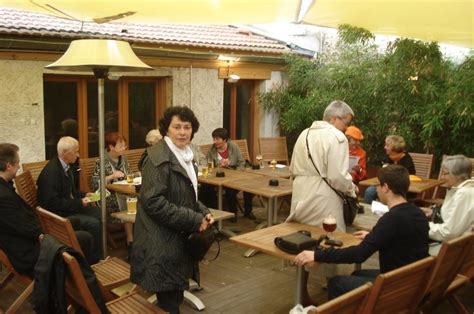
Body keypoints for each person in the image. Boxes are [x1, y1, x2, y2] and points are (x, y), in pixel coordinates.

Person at [295, 165, 430, 300]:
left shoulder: (391, 219)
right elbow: (402, 238)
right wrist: (374, 236)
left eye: (378, 185)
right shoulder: (418, 213)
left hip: (397, 289)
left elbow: (359, 255)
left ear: (386, 188)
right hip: (415, 281)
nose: (376, 189)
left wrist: (318, 255)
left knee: (336, 283)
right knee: (357, 273)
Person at [130, 106, 214, 314]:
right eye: (177, 127)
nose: (183, 132)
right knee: (169, 302)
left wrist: (203, 211)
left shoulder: (186, 155)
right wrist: (195, 220)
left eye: (187, 127)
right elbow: (153, 202)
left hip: (175, 238)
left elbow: (188, 193)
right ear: (166, 130)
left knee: (173, 295)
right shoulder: (157, 158)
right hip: (161, 243)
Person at [0, 143, 94, 277]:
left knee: (75, 222)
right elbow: (25, 228)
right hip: (27, 251)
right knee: (86, 237)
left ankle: (78, 274)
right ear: (8, 166)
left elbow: (22, 222)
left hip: (32, 236)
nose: (19, 167)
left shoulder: (5, 188)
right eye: (17, 163)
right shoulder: (3, 196)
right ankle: (82, 278)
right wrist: (48, 231)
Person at [287, 100, 356, 231]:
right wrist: (351, 189)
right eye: (346, 123)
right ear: (335, 118)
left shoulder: (304, 133)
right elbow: (337, 177)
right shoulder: (337, 137)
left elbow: (292, 168)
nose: (347, 128)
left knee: (302, 238)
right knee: (330, 240)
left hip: (300, 195)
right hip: (324, 200)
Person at [37, 136, 102, 262]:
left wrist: (84, 195)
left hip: (67, 208)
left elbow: (68, 192)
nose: (78, 155)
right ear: (65, 152)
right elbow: (52, 203)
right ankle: (93, 260)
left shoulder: (65, 166)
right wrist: (79, 203)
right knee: (93, 223)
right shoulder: (52, 173)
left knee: (99, 213)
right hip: (57, 216)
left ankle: (95, 253)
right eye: (76, 151)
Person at [91, 132, 134, 252]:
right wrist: (111, 177)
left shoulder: (123, 159)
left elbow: (129, 174)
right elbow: (95, 184)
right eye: (121, 146)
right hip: (106, 196)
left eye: (124, 145)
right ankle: (130, 239)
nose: (124, 148)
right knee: (128, 202)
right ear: (111, 147)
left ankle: (135, 239)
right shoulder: (101, 161)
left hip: (123, 191)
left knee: (136, 200)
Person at [425, 155, 474, 255]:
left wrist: (422, 225)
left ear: (458, 176)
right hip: (455, 245)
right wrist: (435, 212)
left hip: (450, 251)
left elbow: (448, 232)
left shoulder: (464, 194)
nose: (442, 177)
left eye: (445, 173)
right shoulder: (461, 189)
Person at [202, 127, 255, 220]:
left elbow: (241, 162)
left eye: (217, 139)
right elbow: (209, 167)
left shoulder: (234, 147)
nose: (215, 141)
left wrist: (235, 171)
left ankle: (248, 211)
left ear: (225, 139)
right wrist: (219, 167)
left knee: (248, 186)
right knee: (229, 190)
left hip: (235, 173)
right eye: (214, 139)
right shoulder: (212, 151)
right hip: (220, 176)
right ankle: (232, 214)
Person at [363, 135, 416, 204]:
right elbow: (381, 173)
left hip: (401, 188)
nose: (385, 147)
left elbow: (408, 177)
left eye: (387, 146)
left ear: (394, 148)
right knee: (369, 191)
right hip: (386, 185)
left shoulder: (406, 160)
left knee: (388, 194)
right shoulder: (388, 157)